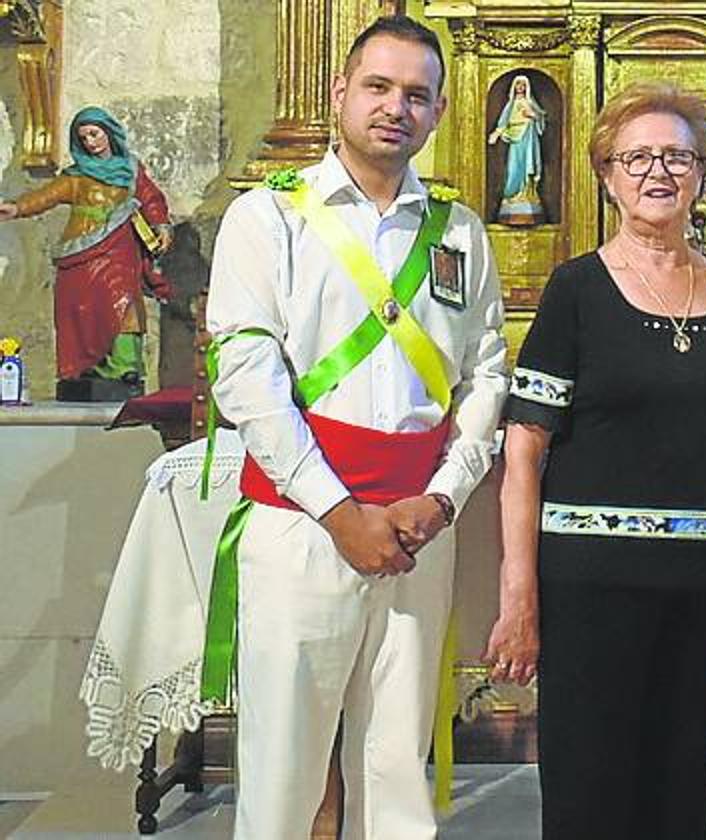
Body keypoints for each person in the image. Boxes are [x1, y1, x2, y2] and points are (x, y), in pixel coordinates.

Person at [203, 15, 506, 839]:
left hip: (418, 529)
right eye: (378, 87)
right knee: (283, 766)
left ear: (439, 112)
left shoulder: (460, 234)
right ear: (340, 93)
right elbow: (248, 377)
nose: (394, 108)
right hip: (302, 524)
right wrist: (338, 513)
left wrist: (442, 500)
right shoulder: (269, 219)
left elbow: (486, 376)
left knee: (397, 762)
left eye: (416, 95)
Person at [486, 81, 706, 840]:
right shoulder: (575, 291)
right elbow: (524, 449)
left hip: (705, 593)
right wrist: (520, 596)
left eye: (678, 157)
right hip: (590, 590)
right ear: (607, 175)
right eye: (637, 156)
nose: (659, 173)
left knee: (680, 800)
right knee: (590, 801)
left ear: (704, 174)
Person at [0, 106, 172, 395]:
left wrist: (162, 226)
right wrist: (16, 208)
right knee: (80, 308)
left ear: (109, 133)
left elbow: (151, 199)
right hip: (81, 253)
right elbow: (46, 196)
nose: (91, 142)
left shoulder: (131, 169)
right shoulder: (76, 177)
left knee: (125, 304)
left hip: (119, 250)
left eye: (95, 134)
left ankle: (125, 367)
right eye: (84, 138)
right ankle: (86, 367)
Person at [488, 74, 547, 225]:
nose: (520, 88)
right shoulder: (511, 104)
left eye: (523, 86)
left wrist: (532, 115)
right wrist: (496, 133)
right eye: (518, 85)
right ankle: (513, 196)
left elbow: (541, 117)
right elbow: (504, 121)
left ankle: (527, 195)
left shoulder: (529, 102)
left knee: (529, 166)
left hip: (528, 139)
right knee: (514, 168)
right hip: (516, 139)